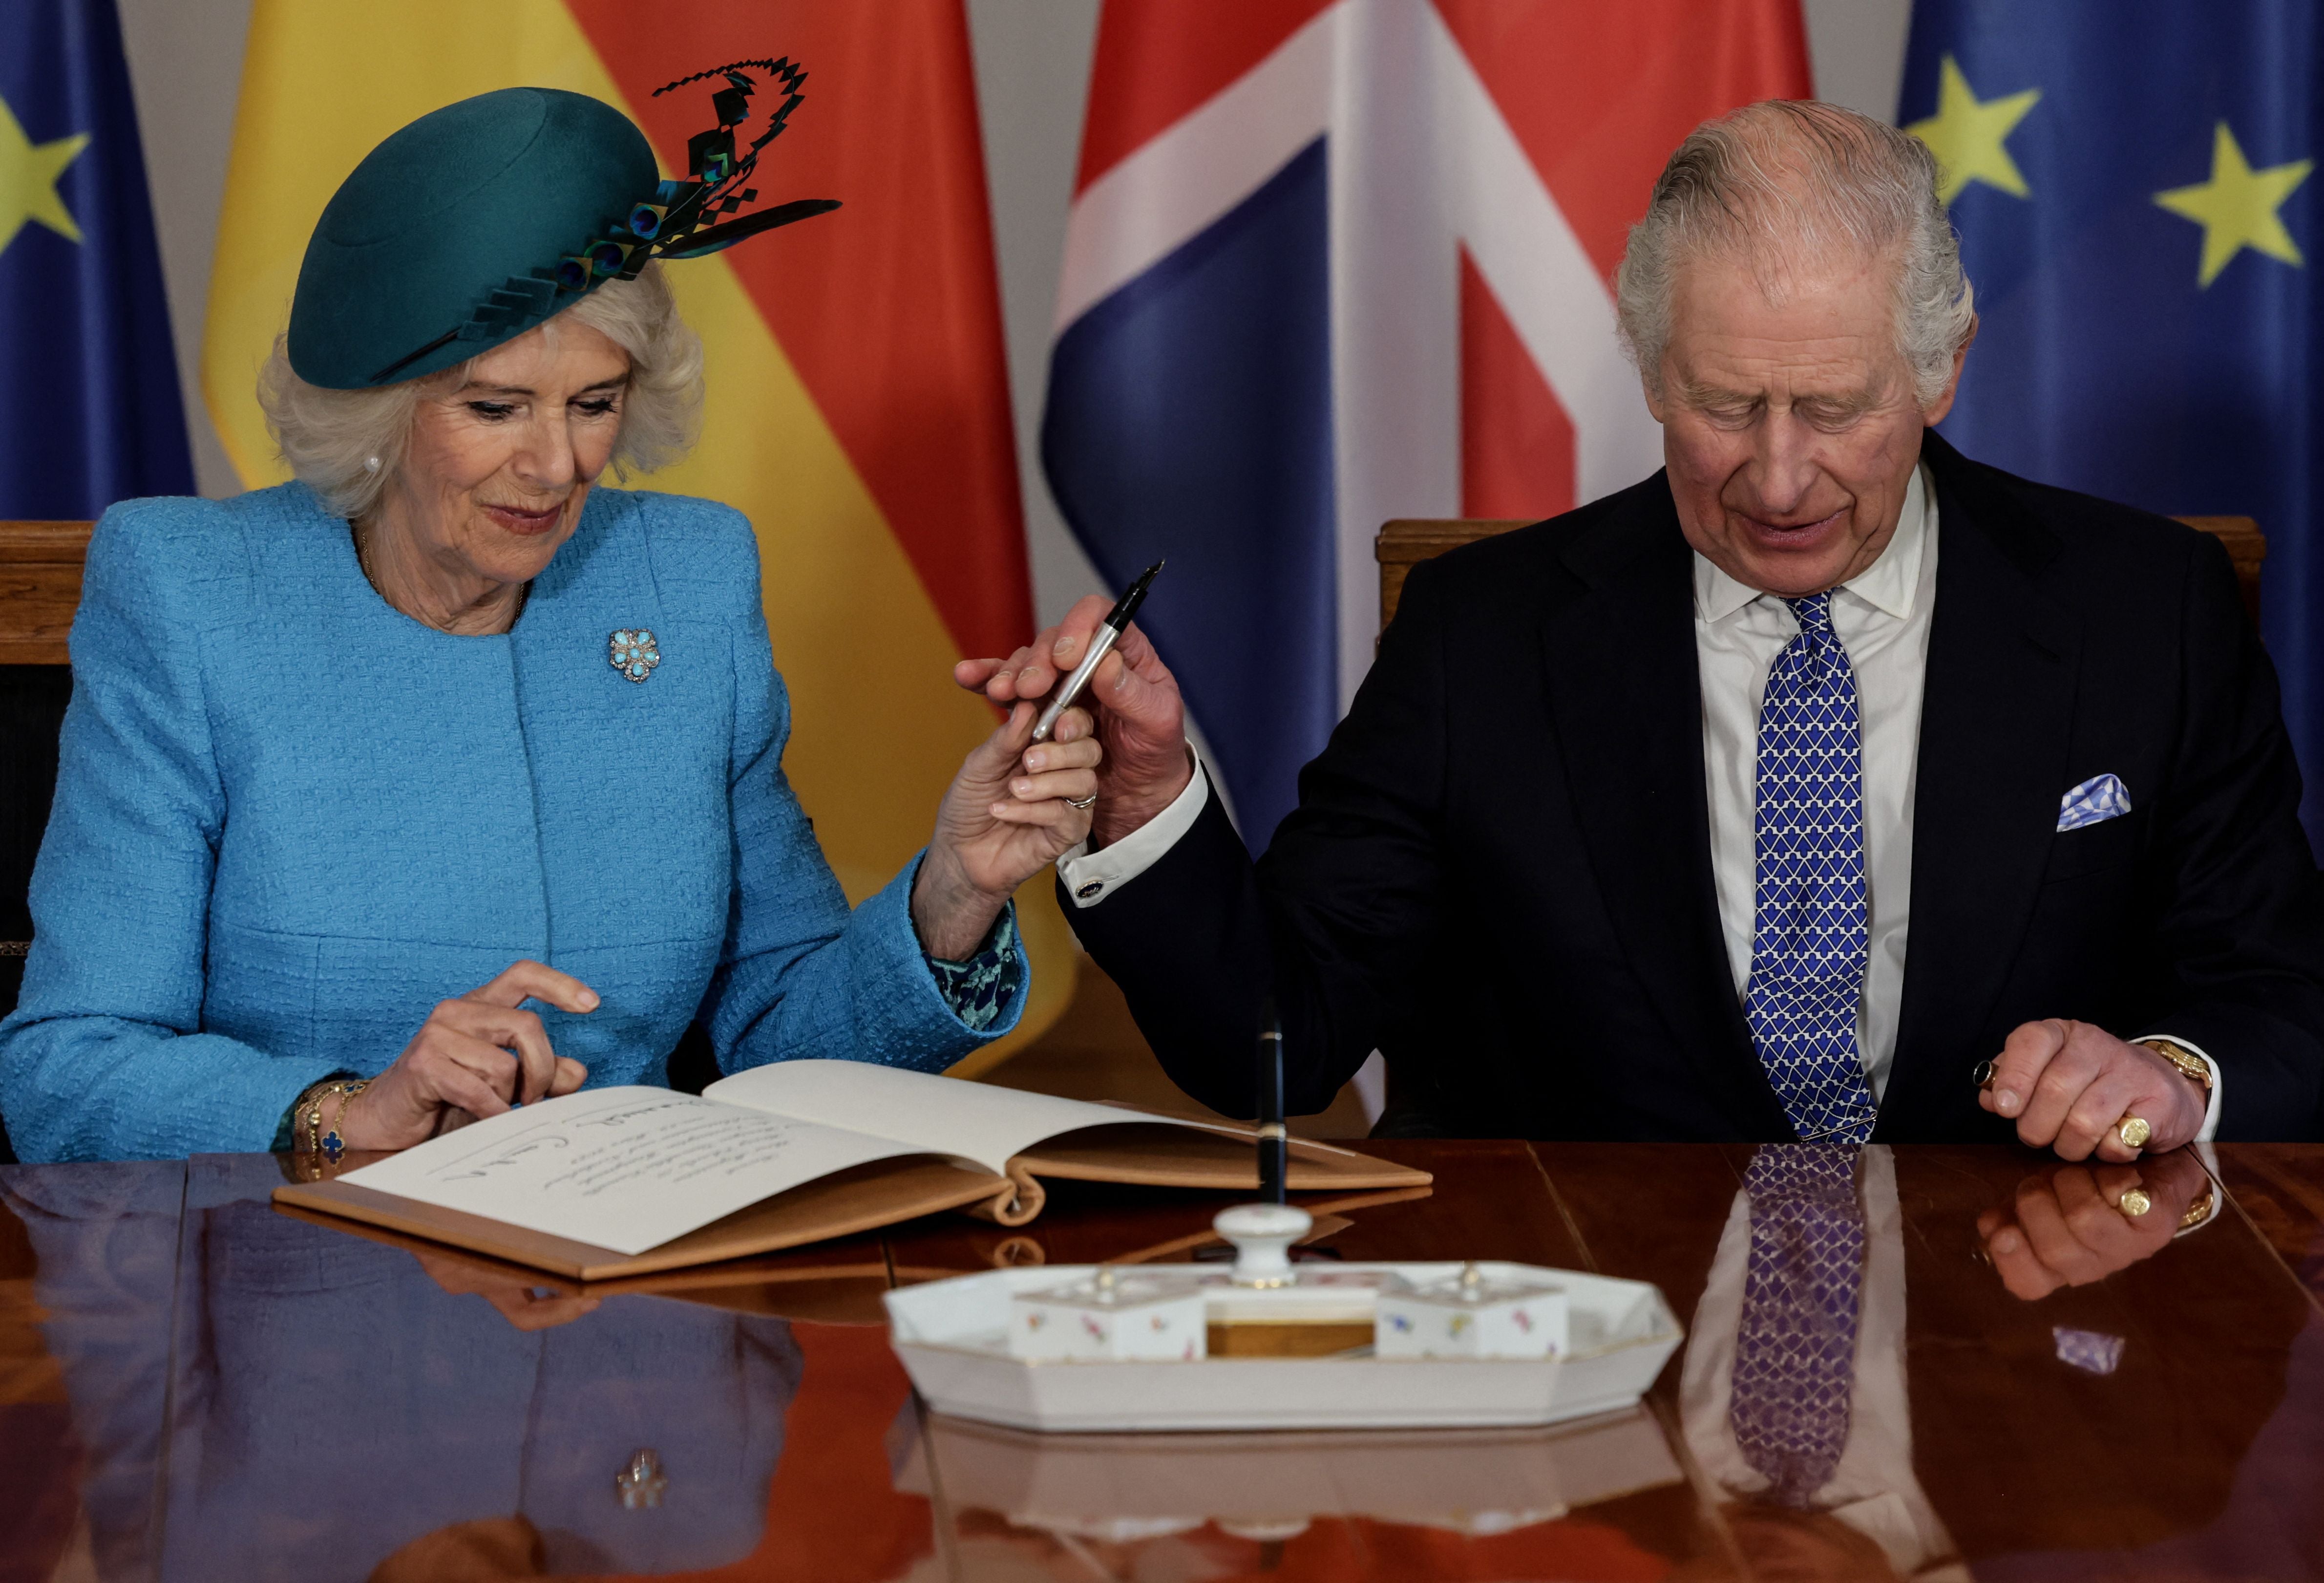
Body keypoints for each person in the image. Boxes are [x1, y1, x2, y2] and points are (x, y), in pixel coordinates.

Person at [969, 100, 2324, 1154]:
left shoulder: (2142, 613)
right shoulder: (1480, 638)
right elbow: (1273, 1040)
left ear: (1940, 371)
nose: (1778, 479)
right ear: (1646, 367)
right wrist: (1146, 789)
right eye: (1724, 407)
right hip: (1592, 1365)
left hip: (2021, 1351)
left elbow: (2282, 1004)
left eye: (1834, 410)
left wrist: (2174, 1075)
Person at [0, 74, 1101, 1163]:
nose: (556, 464)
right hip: (305, 1278)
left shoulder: (689, 578)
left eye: (595, 404)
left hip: (636, 1294)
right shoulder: (192, 594)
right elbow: (68, 1068)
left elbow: (782, 1038)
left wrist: (953, 893)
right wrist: (348, 1113)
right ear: (377, 411)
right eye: (494, 407)